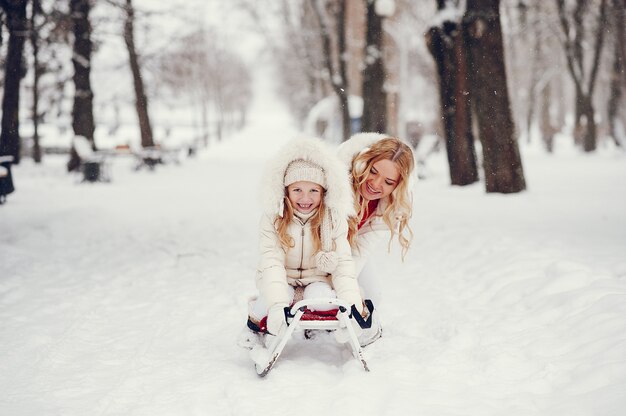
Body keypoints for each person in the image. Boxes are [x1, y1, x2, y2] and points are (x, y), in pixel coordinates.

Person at [242, 137, 363, 346]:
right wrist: (277, 304)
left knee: (325, 301)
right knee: (269, 304)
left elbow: (342, 263)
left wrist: (352, 305)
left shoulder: (333, 219)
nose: (305, 198)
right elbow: (271, 261)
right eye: (297, 190)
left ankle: (333, 324)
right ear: (286, 191)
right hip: (282, 277)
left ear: (323, 192)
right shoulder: (274, 218)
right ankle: (256, 329)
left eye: (313, 190)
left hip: (317, 278)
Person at [337, 132, 416, 345]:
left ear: (397, 186)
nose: (375, 183)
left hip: (351, 249)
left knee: (372, 295)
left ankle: (361, 329)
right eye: (373, 171)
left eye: (388, 181)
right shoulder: (337, 181)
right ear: (365, 161)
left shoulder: (389, 206)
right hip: (316, 250)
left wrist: (343, 287)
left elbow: (361, 250)